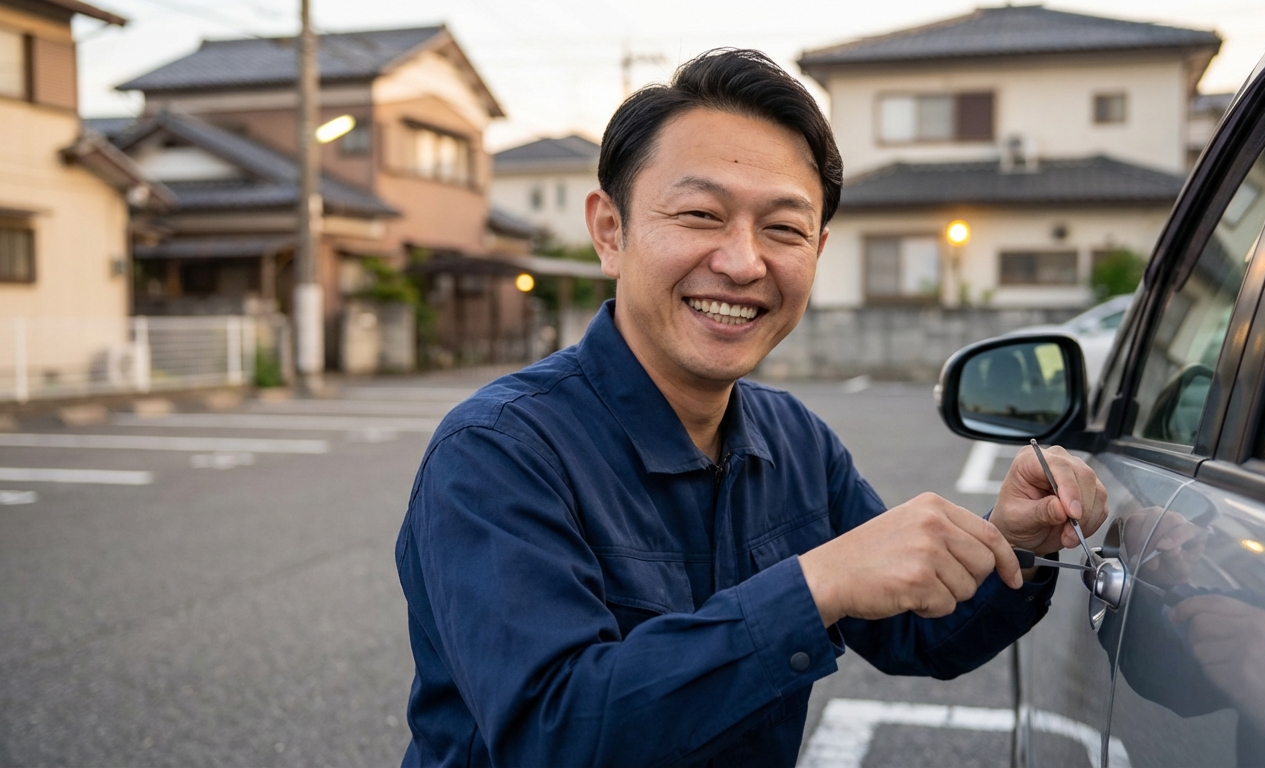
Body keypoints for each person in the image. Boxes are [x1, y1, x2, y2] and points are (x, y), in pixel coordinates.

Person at [395, 48, 1108, 767]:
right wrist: (817, 585)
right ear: (611, 231)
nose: (742, 263)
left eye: (784, 229)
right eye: (700, 214)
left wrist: (1018, 542)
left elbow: (920, 634)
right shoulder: (499, 450)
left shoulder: (794, 440)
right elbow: (553, 734)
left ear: (818, 249)